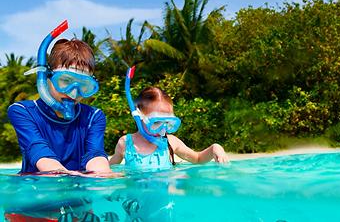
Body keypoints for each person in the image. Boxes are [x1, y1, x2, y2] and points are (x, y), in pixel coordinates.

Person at [7, 21, 111, 174]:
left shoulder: (93, 116)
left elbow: (95, 154)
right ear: (46, 77)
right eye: (65, 81)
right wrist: (64, 174)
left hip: (78, 192)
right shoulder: (22, 111)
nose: (73, 93)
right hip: (38, 191)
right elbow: (38, 150)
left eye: (83, 85)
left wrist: (104, 175)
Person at [109, 66, 229, 169]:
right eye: (156, 123)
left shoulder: (171, 142)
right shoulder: (125, 143)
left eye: (167, 123)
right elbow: (109, 169)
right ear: (139, 116)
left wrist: (214, 148)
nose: (162, 130)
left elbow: (197, 159)